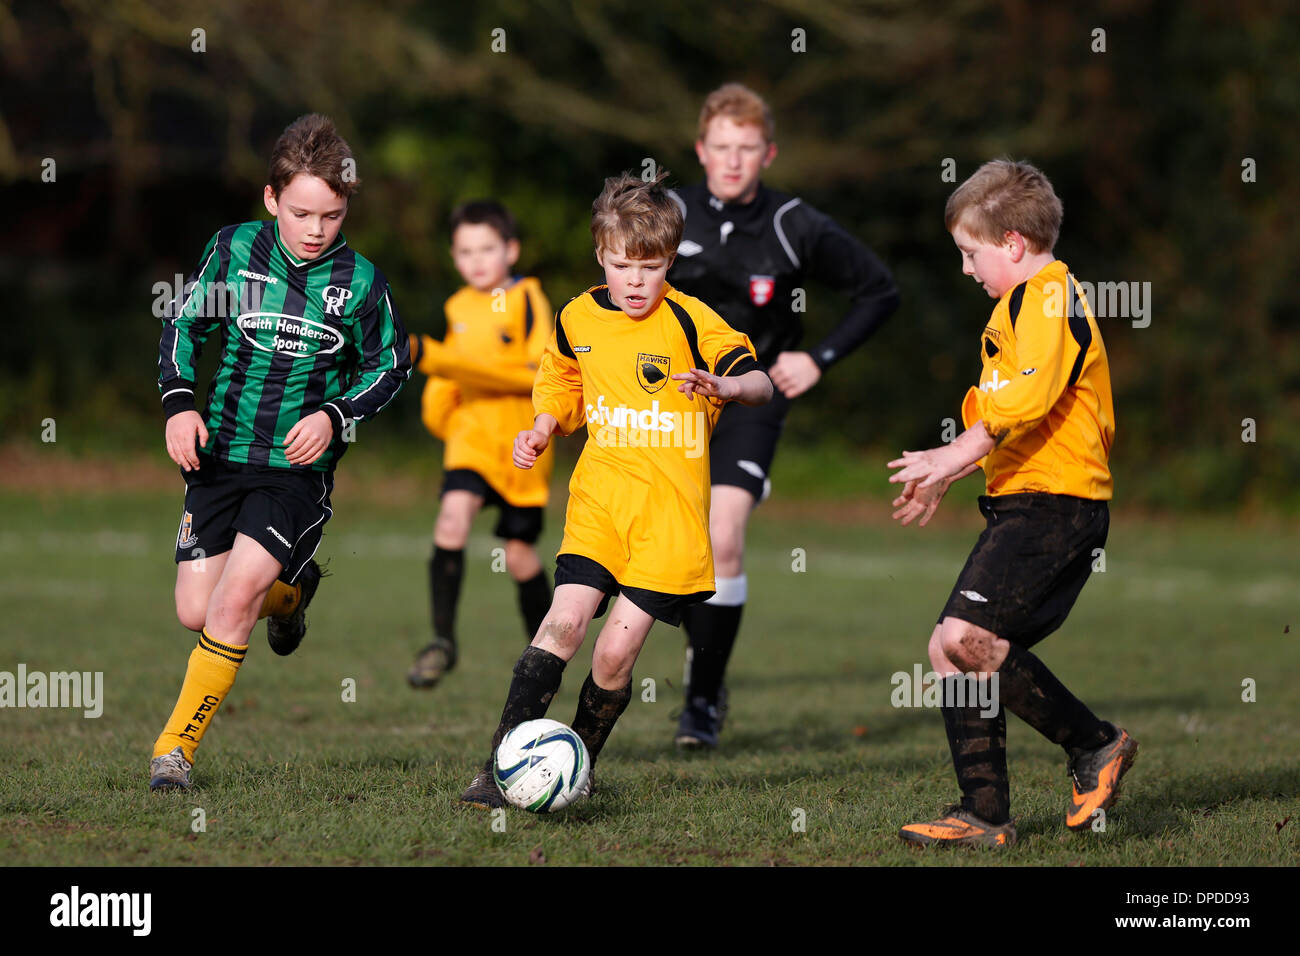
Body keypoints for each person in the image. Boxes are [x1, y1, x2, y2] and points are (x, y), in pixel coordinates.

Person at [458, 171, 773, 808]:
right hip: (600, 503)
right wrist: (543, 428)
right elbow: (560, 380)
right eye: (622, 265)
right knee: (563, 624)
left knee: (613, 656)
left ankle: (576, 764)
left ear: (671, 261)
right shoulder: (577, 315)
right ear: (601, 255)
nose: (634, 281)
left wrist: (729, 388)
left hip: (670, 521)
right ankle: (497, 769)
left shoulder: (693, 319)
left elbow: (760, 380)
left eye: (650, 267)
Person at [150, 114, 411, 791]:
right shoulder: (234, 251)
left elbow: (390, 366)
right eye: (301, 212)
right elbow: (184, 322)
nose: (316, 228)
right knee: (194, 611)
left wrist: (335, 413)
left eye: (331, 213)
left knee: (234, 603)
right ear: (271, 200)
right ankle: (293, 597)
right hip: (220, 458)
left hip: (294, 473)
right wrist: (180, 401)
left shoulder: (359, 283)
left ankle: (174, 752)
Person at [887, 158, 1136, 846]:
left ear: (1012, 245)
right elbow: (1011, 417)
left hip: (1056, 508)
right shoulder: (1023, 307)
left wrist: (950, 454)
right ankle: (985, 817)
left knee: (963, 642)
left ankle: (1096, 745)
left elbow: (1022, 403)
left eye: (971, 253)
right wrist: (953, 470)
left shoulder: (1049, 298)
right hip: (1029, 504)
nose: (966, 269)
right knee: (954, 647)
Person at [666, 83, 899, 748]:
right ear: (700, 150)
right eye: (721, 148)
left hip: (751, 399)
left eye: (746, 149)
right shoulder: (668, 212)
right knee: (658, 547)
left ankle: (703, 704)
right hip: (670, 400)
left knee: (725, 534)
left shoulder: (796, 225)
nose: (733, 161)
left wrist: (818, 358)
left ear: (768, 153)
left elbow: (879, 291)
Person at [406, 201, 555, 689]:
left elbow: (535, 375)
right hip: (469, 440)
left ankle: (546, 652)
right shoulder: (457, 306)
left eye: (487, 249)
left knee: (519, 554)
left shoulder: (528, 298)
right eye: (466, 251)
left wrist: (436, 359)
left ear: (511, 250)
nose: (477, 260)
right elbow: (449, 378)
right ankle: (442, 641)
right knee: (452, 517)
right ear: (454, 256)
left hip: (522, 446)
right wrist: (440, 410)